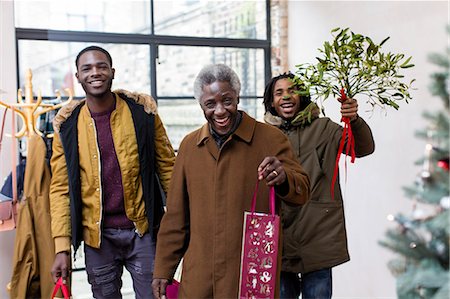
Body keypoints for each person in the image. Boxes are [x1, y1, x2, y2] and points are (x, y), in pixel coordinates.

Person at [151, 64, 310, 298]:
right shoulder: (189, 146)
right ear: (201, 105)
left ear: (237, 96)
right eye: (210, 104)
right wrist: (163, 269)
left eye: (227, 101)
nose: (220, 111)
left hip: (249, 275)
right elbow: (176, 216)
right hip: (199, 276)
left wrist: (284, 177)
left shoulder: (270, 138)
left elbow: (303, 191)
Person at [49, 45, 176, 299]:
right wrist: (61, 247)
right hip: (98, 239)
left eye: (101, 66)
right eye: (87, 68)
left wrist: (178, 227)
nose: (95, 72)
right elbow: (60, 190)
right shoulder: (67, 126)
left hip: (143, 231)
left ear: (112, 72)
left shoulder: (143, 113)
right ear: (78, 77)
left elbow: (168, 169)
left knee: (155, 295)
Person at [263, 73, 375, 299]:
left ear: (302, 96)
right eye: (279, 92)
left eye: (292, 90)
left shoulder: (324, 128)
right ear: (271, 101)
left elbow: (362, 148)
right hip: (281, 236)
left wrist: (354, 120)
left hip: (319, 234)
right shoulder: (264, 135)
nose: (286, 96)